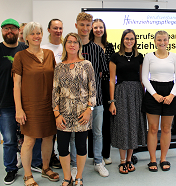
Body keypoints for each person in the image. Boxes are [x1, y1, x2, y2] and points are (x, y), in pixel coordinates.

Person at [12, 22, 59, 186]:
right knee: (29, 140)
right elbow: (16, 84)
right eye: (32, 34)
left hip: (49, 104)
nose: (36, 36)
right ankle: (27, 175)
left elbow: (56, 80)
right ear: (26, 37)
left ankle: (46, 169)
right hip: (30, 106)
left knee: (48, 137)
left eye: (38, 33)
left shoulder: (49, 54)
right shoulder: (20, 56)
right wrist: (19, 108)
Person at [53, 32, 96, 186]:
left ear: (79, 45)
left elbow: (93, 90)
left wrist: (89, 110)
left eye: (75, 42)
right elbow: (55, 91)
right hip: (63, 113)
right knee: (62, 146)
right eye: (69, 42)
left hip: (82, 113)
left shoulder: (87, 65)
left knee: (81, 146)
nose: (72, 45)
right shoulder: (59, 66)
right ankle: (67, 177)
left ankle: (78, 176)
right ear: (65, 45)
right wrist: (57, 113)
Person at [0, 18, 27, 185]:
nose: (9, 31)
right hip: (4, 103)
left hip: (26, 103)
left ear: (19, 31)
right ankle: (11, 169)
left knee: (29, 137)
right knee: (9, 139)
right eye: (6, 29)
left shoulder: (25, 49)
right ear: (2, 31)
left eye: (13, 28)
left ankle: (33, 164)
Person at [74, 12, 109, 177]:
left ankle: (98, 162)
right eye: (82, 24)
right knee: (75, 133)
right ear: (76, 26)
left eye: (88, 25)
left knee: (97, 133)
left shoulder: (97, 49)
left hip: (97, 100)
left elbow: (105, 74)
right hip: (75, 101)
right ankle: (74, 165)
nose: (85, 28)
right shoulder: (72, 47)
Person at [142, 30, 176, 172]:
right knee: (153, 129)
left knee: (166, 128)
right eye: (159, 40)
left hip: (170, 91)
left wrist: (172, 94)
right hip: (153, 92)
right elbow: (144, 78)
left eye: (164, 39)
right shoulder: (148, 57)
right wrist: (154, 94)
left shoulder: (175, 57)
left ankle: (163, 158)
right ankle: (152, 159)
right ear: (154, 41)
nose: (162, 42)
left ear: (168, 41)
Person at [109, 29, 147, 174]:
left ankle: (130, 159)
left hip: (137, 94)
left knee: (134, 126)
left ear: (135, 40)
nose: (129, 41)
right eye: (126, 38)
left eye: (131, 38)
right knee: (123, 126)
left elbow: (142, 80)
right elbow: (112, 81)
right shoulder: (115, 57)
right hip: (121, 94)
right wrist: (112, 101)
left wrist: (143, 98)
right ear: (122, 40)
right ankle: (122, 161)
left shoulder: (140, 57)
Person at [89, 18, 115, 165]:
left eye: (101, 27)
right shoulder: (87, 46)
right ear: (92, 29)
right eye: (95, 27)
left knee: (106, 121)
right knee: (93, 122)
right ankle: (94, 154)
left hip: (106, 85)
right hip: (92, 86)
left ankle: (106, 153)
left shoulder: (109, 46)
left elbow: (111, 71)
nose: (98, 30)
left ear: (104, 29)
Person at [41, 18, 64, 170]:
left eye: (60, 28)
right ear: (48, 30)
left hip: (65, 96)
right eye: (55, 28)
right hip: (48, 95)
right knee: (48, 131)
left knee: (61, 130)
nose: (58, 31)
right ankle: (45, 160)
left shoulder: (66, 47)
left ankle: (59, 157)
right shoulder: (43, 48)